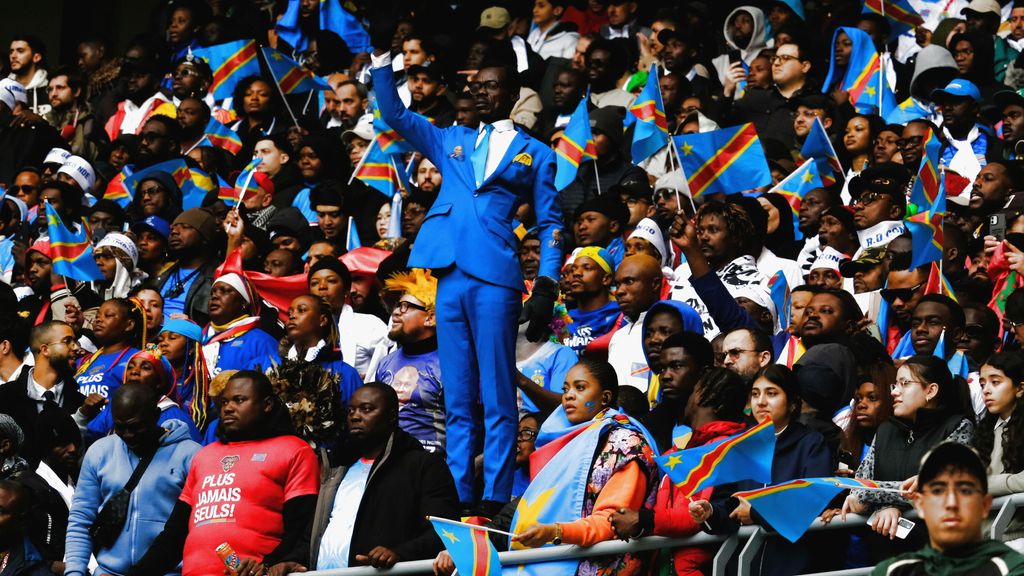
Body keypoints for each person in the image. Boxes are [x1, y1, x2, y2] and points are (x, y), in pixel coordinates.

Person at [371, 33, 562, 512]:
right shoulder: (450, 139)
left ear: (513, 93)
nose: (481, 93)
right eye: (477, 87)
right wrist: (381, 59)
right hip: (448, 274)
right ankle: (458, 494)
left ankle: (495, 494)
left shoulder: (537, 153)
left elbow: (552, 223)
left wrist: (547, 283)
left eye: (491, 86)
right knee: (457, 393)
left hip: (496, 274)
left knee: (496, 390)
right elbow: (395, 114)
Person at [128, 371, 319, 576]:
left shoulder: (294, 450)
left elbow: (301, 528)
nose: (227, 408)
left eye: (239, 400)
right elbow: (174, 535)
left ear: (267, 405)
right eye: (224, 401)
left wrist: (269, 565)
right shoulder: (205, 456)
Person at [275, 383, 460, 573]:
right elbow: (314, 534)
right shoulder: (338, 466)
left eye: (367, 409)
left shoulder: (423, 465)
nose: (355, 416)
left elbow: (445, 532)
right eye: (351, 410)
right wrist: (293, 560)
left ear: (391, 416)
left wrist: (400, 554)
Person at [513, 360, 657, 575]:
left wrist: (555, 531)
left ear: (605, 397)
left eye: (580, 388)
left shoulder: (627, 444)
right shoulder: (574, 441)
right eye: (565, 389)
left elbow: (612, 521)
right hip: (566, 555)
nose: (568, 396)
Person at [689, 365, 833, 575]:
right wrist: (710, 512)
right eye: (755, 394)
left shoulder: (811, 444)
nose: (761, 401)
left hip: (791, 565)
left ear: (793, 402)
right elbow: (727, 504)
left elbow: (811, 500)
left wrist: (756, 512)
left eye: (771, 393)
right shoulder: (739, 445)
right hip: (740, 567)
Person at [609, 368, 748, 575]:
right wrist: (639, 526)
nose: (687, 399)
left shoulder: (723, 451)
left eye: (693, 392)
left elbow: (699, 513)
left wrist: (644, 519)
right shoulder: (682, 450)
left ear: (706, 398)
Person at [842, 355, 975, 561]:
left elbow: (934, 489)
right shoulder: (885, 429)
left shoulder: (958, 426)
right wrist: (887, 505)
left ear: (931, 391)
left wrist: (889, 501)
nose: (894, 392)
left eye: (904, 384)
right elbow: (858, 487)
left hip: (935, 553)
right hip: (884, 552)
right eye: (895, 384)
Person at [64, 385, 200, 576]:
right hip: (109, 573)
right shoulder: (100, 452)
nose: (128, 434)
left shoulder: (191, 455)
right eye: (120, 427)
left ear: (155, 415)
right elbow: (81, 519)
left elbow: (201, 525)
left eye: (136, 426)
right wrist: (74, 572)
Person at [872, 442, 1024, 575]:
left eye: (965, 491)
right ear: (920, 504)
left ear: (985, 504)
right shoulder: (891, 571)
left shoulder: (1012, 568)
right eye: (938, 491)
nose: (951, 503)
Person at [374, 270, 444, 455]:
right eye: (397, 305)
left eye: (406, 306)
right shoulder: (385, 363)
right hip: (390, 460)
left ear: (431, 318)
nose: (396, 311)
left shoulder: (450, 364)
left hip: (435, 464)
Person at [307, 257, 391, 379]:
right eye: (314, 283)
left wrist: (363, 384)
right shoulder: (302, 330)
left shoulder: (370, 325)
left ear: (346, 289)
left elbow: (387, 367)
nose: (322, 286)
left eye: (331, 281)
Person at [281, 294, 361, 403]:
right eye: (289, 313)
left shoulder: (345, 373)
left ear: (322, 320)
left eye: (301, 310)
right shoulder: (272, 367)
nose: (292, 316)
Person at [202, 273, 281, 376]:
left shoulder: (261, 341)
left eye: (225, 291)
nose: (215, 296)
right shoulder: (199, 338)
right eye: (212, 293)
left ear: (244, 302)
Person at [608, 254, 663, 392]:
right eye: (617, 284)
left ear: (655, 284)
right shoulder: (618, 336)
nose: (619, 291)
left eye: (629, 281)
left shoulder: (667, 332)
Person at [74, 297, 145, 404]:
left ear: (129, 325)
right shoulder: (84, 361)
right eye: (97, 316)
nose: (98, 320)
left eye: (108, 315)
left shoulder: (138, 359)